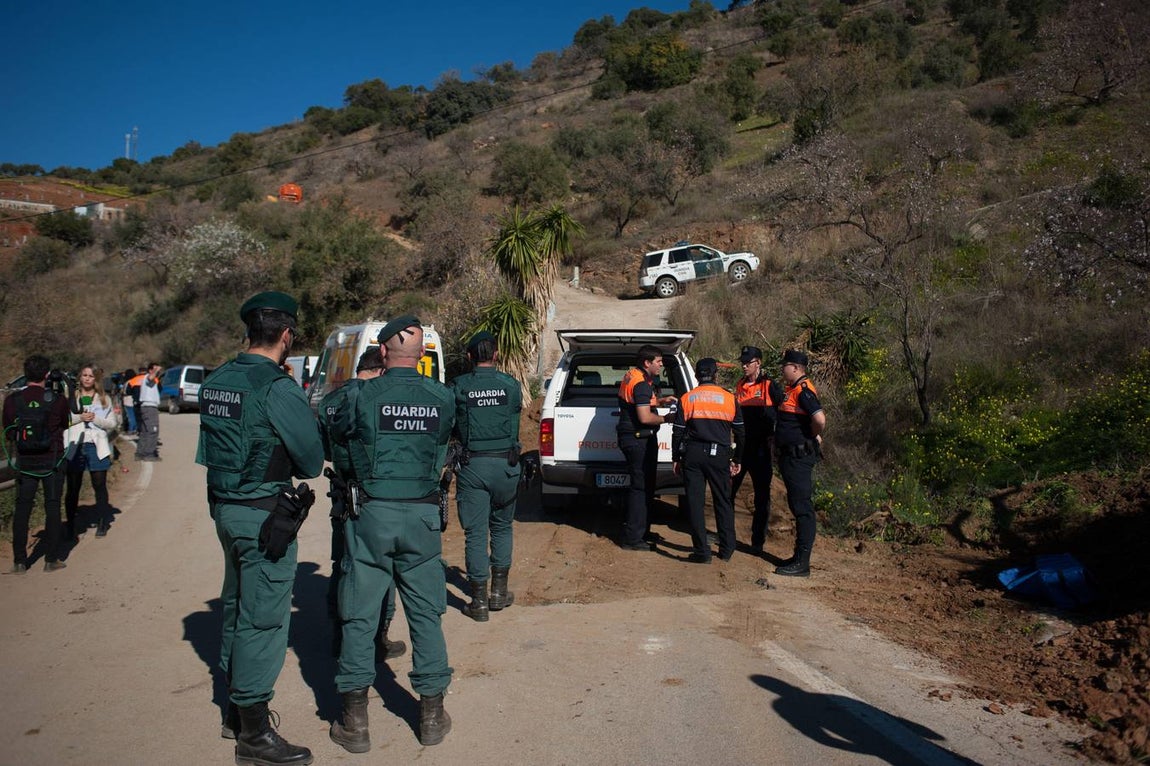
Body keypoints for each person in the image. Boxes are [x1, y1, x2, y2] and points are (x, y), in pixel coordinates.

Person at [197, 291, 324, 766]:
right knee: (264, 619)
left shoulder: (218, 381)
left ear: (248, 329)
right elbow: (310, 461)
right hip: (263, 514)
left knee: (234, 607)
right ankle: (254, 737)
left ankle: (235, 711)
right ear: (287, 335)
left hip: (225, 510)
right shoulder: (277, 387)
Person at [330, 316, 455, 752]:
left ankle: (355, 722)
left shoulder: (362, 394)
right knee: (426, 616)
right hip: (422, 518)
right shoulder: (442, 396)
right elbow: (443, 447)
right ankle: (433, 716)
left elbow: (340, 445)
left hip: (372, 516)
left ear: (383, 352)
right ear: (421, 355)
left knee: (360, 616)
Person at [318, 346, 406, 663]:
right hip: (375, 494)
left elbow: (324, 450)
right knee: (381, 569)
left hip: (341, 493)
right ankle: (376, 637)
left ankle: (340, 636)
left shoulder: (329, 401)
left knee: (342, 565)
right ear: (381, 370)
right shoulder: (376, 399)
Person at [449, 330, 523, 621]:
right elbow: (515, 419)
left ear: (469, 357)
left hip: (474, 467)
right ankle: (498, 593)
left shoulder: (459, 387)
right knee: (503, 527)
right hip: (506, 465)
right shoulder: (511, 385)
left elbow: (451, 423)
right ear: (495, 355)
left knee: (476, 533)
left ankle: (478, 601)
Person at [672, 358, 744, 563]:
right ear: (715, 375)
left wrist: (675, 457)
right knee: (723, 500)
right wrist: (737, 458)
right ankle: (727, 548)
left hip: (693, 455)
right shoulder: (729, 399)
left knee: (695, 503)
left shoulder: (687, 398)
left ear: (696, 376)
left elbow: (678, 433)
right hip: (719, 455)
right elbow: (740, 433)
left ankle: (702, 551)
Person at [2, 355, 70, 573]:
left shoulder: (12, 401)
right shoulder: (57, 399)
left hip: (25, 464)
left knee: (22, 509)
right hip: (52, 461)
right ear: (47, 375)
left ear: (25, 374)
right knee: (52, 507)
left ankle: (20, 561)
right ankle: (51, 559)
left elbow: (9, 431)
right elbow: (65, 423)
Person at [615, 344, 677, 551]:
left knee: (645, 486)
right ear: (647, 363)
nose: (661, 365)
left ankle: (641, 531)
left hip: (634, 437)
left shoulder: (632, 376)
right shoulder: (641, 383)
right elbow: (644, 416)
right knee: (640, 488)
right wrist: (667, 417)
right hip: (637, 438)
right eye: (658, 362)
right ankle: (632, 539)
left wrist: (659, 400)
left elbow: (638, 402)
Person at [774, 349, 826, 578]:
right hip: (790, 456)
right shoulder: (792, 390)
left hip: (799, 457)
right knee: (797, 505)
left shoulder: (804, 392)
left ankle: (802, 563)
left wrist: (812, 435)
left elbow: (819, 419)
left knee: (803, 508)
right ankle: (798, 557)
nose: (782, 368)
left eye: (785, 365)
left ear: (795, 368)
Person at [732, 345, 784, 554]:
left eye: (748, 362)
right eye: (742, 362)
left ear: (758, 363)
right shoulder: (740, 385)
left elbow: (784, 412)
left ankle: (757, 541)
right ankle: (725, 534)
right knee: (728, 491)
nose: (744, 366)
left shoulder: (771, 386)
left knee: (762, 496)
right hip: (742, 448)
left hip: (762, 448)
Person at [64, 365, 118, 540]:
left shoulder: (104, 399)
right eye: (84, 375)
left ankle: (102, 521)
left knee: (99, 485)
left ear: (96, 379)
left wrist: (96, 419)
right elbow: (61, 420)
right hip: (75, 445)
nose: (87, 379)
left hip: (97, 445)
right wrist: (80, 417)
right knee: (73, 487)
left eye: (91, 376)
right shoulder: (71, 397)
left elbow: (112, 423)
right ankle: (70, 524)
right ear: (80, 377)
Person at [135, 362, 162, 461]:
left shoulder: (153, 380)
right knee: (152, 430)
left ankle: (140, 453)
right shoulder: (147, 378)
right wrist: (156, 370)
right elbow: (150, 377)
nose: (158, 372)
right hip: (149, 407)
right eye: (155, 370)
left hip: (147, 407)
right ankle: (148, 454)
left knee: (145, 431)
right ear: (150, 370)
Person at [120, 368, 138, 435]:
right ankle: (135, 428)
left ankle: (131, 429)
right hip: (133, 400)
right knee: (134, 415)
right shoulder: (135, 381)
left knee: (130, 416)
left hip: (128, 400)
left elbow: (125, 391)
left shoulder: (128, 382)